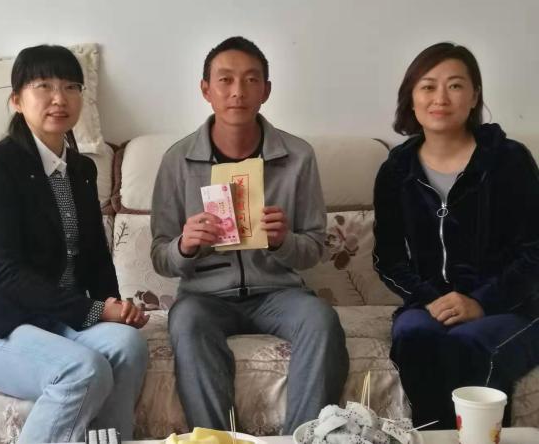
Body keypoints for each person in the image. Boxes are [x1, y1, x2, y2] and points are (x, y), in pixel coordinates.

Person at [0, 45, 149, 443]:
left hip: (54, 318)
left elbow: (95, 257)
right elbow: (5, 274)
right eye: (44, 86)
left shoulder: (81, 169)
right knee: (82, 370)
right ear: (16, 100)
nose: (60, 98)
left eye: (71, 86)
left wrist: (116, 307)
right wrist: (94, 310)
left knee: (128, 345)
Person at [150, 36, 348, 434]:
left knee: (321, 320)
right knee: (187, 323)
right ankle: (216, 440)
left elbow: (313, 248)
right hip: (205, 298)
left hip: (278, 293)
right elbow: (160, 255)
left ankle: (303, 439)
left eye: (251, 80)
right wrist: (185, 246)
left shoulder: (298, 156)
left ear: (266, 90)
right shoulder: (177, 160)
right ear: (206, 89)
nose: (237, 91)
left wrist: (283, 241)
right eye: (225, 80)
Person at [373, 42, 539, 429]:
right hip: (429, 303)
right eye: (428, 86)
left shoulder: (509, 160)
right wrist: (431, 299)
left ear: (474, 96)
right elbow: (388, 259)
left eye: (455, 85)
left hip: (511, 306)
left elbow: (535, 252)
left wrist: (480, 302)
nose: (441, 98)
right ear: (411, 97)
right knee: (413, 334)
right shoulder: (396, 170)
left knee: (468, 343)